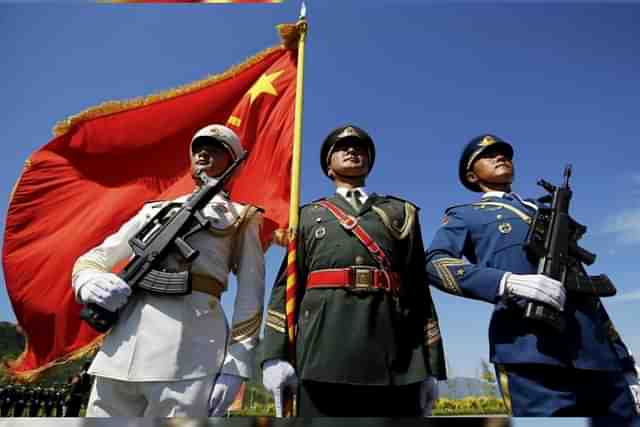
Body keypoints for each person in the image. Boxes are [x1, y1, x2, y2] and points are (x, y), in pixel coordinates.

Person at [425, 134, 640, 421]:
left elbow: (589, 295)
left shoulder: (546, 211)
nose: (501, 157)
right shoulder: (467, 216)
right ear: (471, 175)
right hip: (529, 348)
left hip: (597, 355)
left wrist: (625, 363)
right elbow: (435, 263)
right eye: (488, 155)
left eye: (504, 153)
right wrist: (506, 281)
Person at [71, 124, 265, 417]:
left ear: (233, 164)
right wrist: (89, 282)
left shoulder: (242, 218)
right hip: (122, 349)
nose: (203, 153)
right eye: (199, 148)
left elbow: (250, 297)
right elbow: (95, 258)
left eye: (215, 149)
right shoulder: (155, 211)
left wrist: (235, 366)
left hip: (190, 355)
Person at [261, 124, 446, 417]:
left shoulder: (400, 212)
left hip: (395, 352)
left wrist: (432, 366)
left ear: (369, 162)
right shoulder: (307, 215)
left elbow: (418, 291)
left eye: (360, 148)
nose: (352, 150)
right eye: (342, 147)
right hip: (322, 349)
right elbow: (285, 289)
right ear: (327, 166)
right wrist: (274, 355)